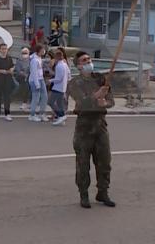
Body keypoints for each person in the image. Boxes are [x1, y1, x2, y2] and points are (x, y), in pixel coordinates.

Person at [67, 51, 115, 208]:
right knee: (83, 164)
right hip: (84, 127)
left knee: (104, 162)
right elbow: (81, 102)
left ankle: (103, 192)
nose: (88, 62)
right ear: (79, 66)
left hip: (100, 125)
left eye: (89, 59)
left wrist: (104, 103)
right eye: (84, 60)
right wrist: (96, 96)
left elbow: (111, 100)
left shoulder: (101, 78)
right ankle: (84, 194)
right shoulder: (74, 83)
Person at [48, 48, 71, 126]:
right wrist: (66, 82)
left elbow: (58, 79)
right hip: (63, 87)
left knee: (50, 102)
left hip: (57, 87)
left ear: (57, 57)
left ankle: (61, 115)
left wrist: (50, 81)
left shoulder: (59, 66)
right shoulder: (65, 64)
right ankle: (61, 118)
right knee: (59, 103)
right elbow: (69, 74)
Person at [28, 45, 47, 122]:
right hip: (34, 80)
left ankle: (41, 114)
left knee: (44, 97)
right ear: (39, 50)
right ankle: (32, 115)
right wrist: (37, 84)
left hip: (41, 79)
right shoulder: (34, 60)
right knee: (36, 98)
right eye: (43, 50)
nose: (44, 51)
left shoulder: (39, 58)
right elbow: (34, 73)